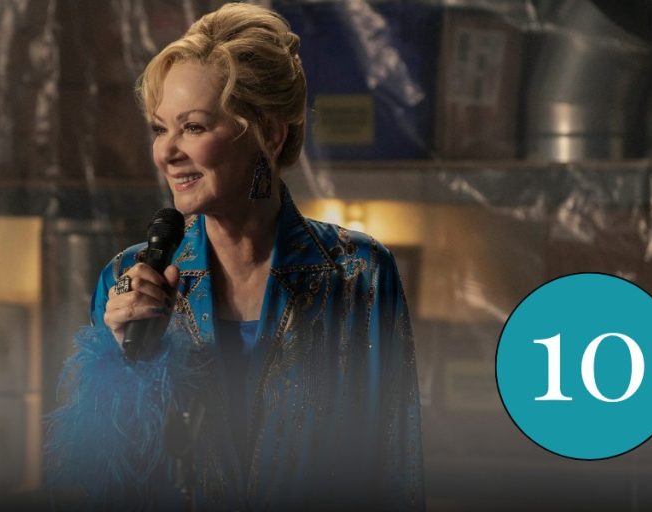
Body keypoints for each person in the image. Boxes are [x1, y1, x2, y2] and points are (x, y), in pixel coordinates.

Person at [46, 3, 422, 510]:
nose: (166, 152)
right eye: (159, 129)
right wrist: (125, 363)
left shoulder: (358, 275)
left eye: (193, 127)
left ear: (269, 134)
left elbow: (393, 472)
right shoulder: (128, 280)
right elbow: (102, 486)